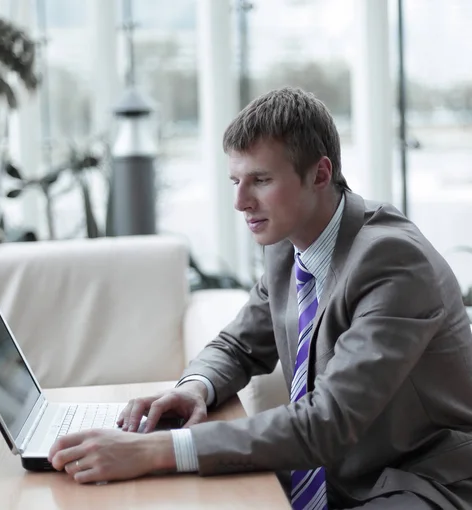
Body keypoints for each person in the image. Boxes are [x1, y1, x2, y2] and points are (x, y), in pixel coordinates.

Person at [48, 88, 472, 509]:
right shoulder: (287, 245)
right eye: (236, 180)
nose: (240, 201)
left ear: (320, 174)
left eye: (261, 180)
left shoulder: (392, 261)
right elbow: (239, 344)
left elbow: (329, 421)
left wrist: (156, 450)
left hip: (421, 482)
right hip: (337, 471)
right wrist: (196, 387)